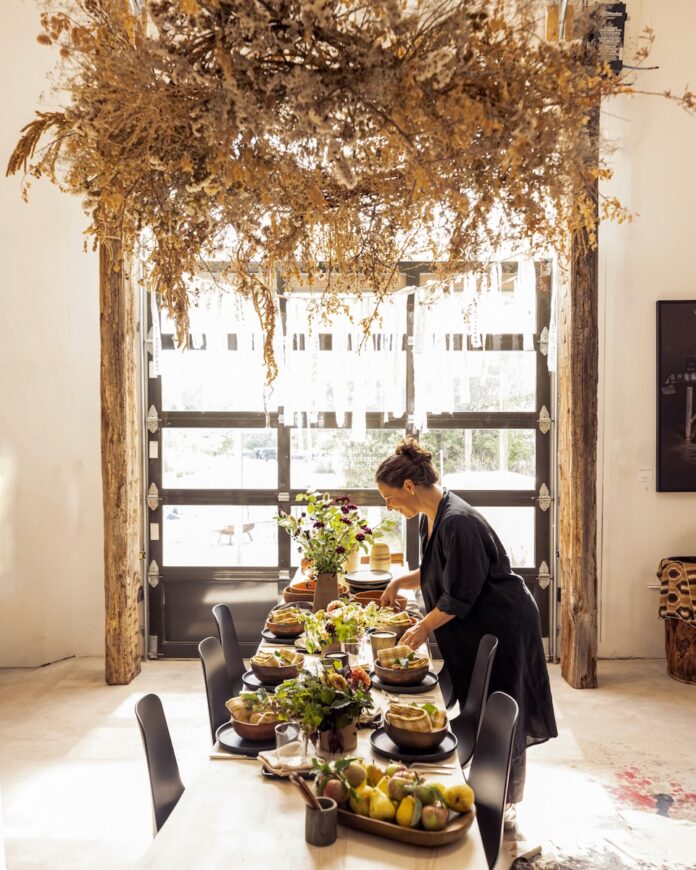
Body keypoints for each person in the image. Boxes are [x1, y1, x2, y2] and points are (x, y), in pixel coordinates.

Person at [376, 437, 557, 822]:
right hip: (486, 620)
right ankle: (495, 798)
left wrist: (423, 627)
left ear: (408, 486)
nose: (389, 506)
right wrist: (397, 584)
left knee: (502, 711)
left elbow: (461, 593)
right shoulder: (435, 514)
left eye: (389, 498)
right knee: (494, 707)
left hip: (503, 623)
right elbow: (438, 571)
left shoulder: (457, 520)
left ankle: (502, 808)